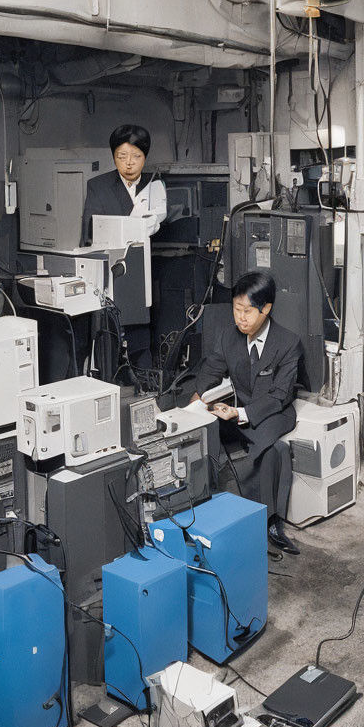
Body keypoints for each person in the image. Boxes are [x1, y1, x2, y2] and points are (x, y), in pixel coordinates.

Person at [191, 271, 304, 554]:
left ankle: (270, 523)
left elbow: (280, 395)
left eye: (247, 311)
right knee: (205, 431)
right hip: (238, 406)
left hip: (274, 410)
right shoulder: (229, 337)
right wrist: (196, 402)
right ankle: (207, 506)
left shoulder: (288, 343)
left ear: (266, 309)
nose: (240, 318)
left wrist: (240, 414)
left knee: (265, 447)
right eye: (236, 310)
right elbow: (212, 368)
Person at [81, 125, 167, 371]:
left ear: (145, 157)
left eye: (136, 157)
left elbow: (160, 221)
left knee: (142, 328)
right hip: (112, 268)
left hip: (143, 268)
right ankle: (113, 375)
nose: (129, 163)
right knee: (112, 328)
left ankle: (144, 377)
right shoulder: (97, 185)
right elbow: (90, 228)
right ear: (113, 156)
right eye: (122, 156)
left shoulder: (154, 184)